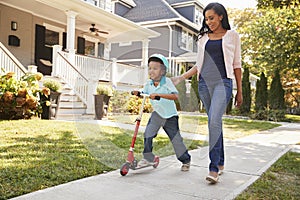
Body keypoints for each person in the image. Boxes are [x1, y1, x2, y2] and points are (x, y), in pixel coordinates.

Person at [172, 2, 243, 183]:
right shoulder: (202, 37)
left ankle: (213, 169)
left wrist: (240, 91)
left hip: (223, 83)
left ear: (221, 16)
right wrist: (181, 78)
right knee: (214, 123)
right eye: (206, 19)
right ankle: (220, 162)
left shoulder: (233, 36)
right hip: (204, 84)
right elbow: (198, 64)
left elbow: (236, 65)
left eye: (211, 18)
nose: (208, 22)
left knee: (213, 122)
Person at [132, 54, 191, 171]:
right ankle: (148, 157)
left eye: (155, 68)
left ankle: (186, 160)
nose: (151, 71)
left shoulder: (167, 82)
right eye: (150, 68)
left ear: (163, 71)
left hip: (170, 116)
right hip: (157, 114)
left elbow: (175, 96)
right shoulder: (149, 83)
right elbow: (144, 92)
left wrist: (159, 95)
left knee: (176, 140)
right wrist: (138, 92)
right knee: (148, 134)